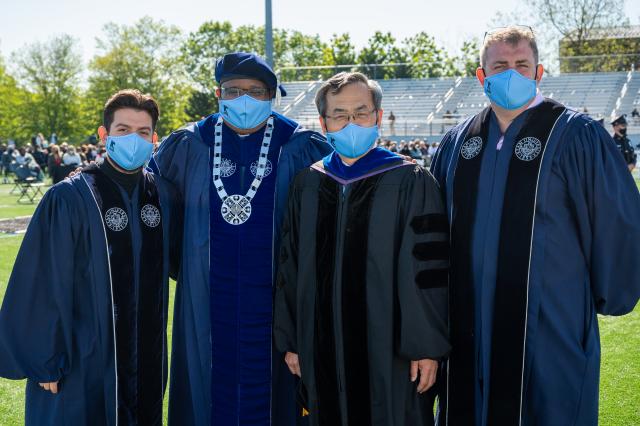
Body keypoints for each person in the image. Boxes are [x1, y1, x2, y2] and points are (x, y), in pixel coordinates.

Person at [430, 26, 640, 426]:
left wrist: (608, 293)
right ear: (481, 75)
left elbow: (618, 222)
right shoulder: (458, 142)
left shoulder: (577, 135)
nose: (512, 73)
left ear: (539, 72)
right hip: (465, 325)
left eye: (521, 64)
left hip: (548, 325)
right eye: (500, 66)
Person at [149, 52, 332, 426]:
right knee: (205, 386)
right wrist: (190, 265)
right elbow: (155, 209)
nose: (243, 99)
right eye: (233, 90)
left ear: (271, 95)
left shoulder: (299, 145)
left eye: (255, 91)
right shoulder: (188, 144)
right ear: (218, 92)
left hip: (278, 305)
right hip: (204, 299)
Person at [274, 71, 450, 426]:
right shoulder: (308, 182)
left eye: (361, 111)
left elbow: (427, 273)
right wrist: (291, 337)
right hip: (319, 344)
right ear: (323, 122)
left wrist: (426, 346)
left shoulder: (410, 180)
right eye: (339, 113)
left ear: (378, 116)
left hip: (391, 349)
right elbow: (290, 264)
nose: (351, 121)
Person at [0, 89, 182, 425]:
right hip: (82, 357)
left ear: (154, 138)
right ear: (104, 135)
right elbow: (42, 280)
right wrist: (46, 359)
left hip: (146, 355)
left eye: (143, 132)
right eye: (123, 130)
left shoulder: (162, 195)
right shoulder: (70, 198)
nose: (133, 139)